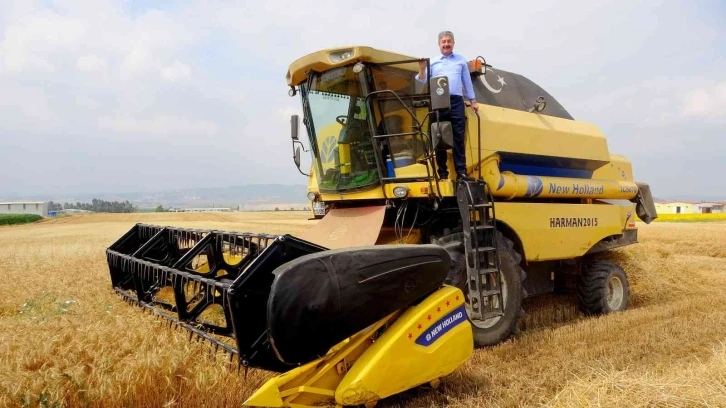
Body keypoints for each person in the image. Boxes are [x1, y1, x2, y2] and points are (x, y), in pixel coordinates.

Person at [416, 31, 478, 181]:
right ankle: (442, 173)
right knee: (439, 136)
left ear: (453, 43)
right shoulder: (432, 61)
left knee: (458, 136)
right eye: (443, 42)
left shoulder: (461, 60)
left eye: (449, 41)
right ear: (439, 44)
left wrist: (473, 100)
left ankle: (461, 172)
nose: (446, 44)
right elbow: (421, 81)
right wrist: (422, 68)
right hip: (438, 101)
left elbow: (466, 81)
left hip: (456, 101)